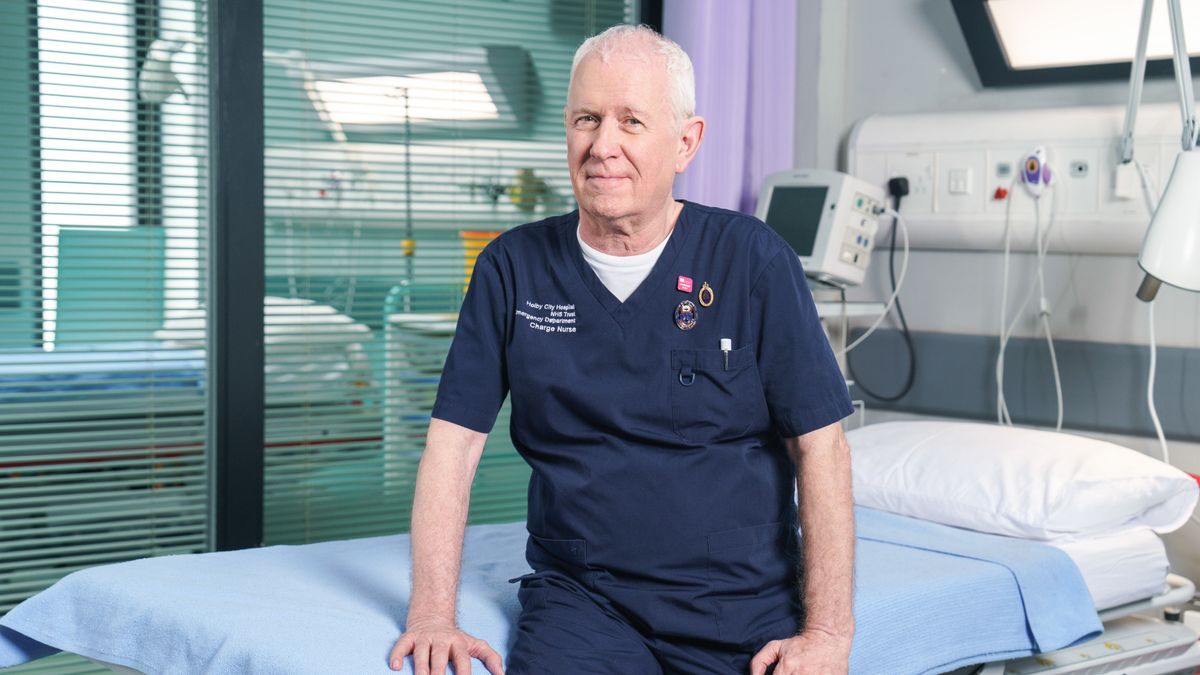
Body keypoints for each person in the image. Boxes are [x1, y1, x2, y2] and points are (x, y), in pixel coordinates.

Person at [389, 24, 856, 675]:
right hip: (585, 601)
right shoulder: (512, 268)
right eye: (587, 118)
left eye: (632, 121)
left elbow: (820, 445)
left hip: (737, 605)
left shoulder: (752, 260)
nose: (603, 146)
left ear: (686, 141)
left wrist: (829, 631)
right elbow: (452, 446)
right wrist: (432, 614)